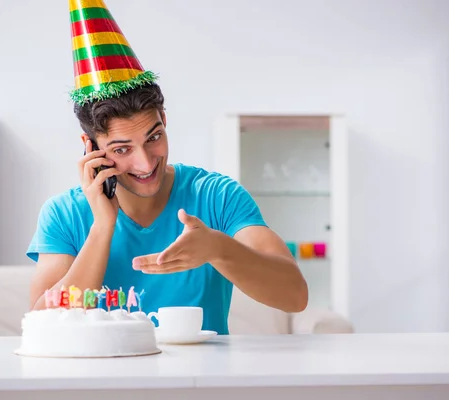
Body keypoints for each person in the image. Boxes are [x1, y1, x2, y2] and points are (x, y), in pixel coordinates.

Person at [27, 0, 308, 335]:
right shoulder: (64, 214)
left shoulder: (215, 196)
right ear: (90, 149)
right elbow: (42, 325)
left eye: (154, 137)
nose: (145, 162)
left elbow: (295, 296)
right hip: (102, 385)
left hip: (199, 382)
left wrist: (219, 248)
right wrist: (103, 226)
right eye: (121, 149)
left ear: (164, 120)